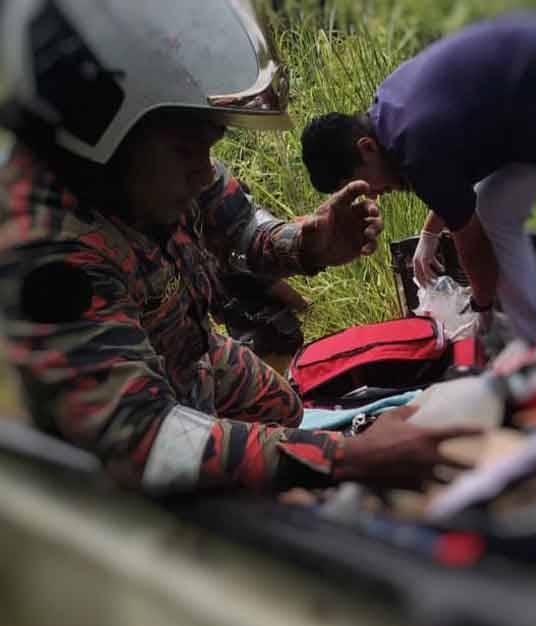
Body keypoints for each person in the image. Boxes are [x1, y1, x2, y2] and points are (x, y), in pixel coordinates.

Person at [0, 0, 471, 495]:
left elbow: (243, 231)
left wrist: (312, 243)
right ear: (102, 140)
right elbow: (140, 439)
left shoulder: (152, 160)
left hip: (192, 355)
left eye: (209, 145)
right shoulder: (46, 255)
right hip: (123, 444)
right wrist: (345, 458)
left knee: (284, 407)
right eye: (188, 150)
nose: (205, 171)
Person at [300, 12, 536, 387]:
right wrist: (430, 235)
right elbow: (453, 188)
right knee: (496, 208)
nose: (373, 194)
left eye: (361, 184)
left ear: (366, 148)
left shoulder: (414, 142)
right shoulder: (391, 113)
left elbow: (472, 244)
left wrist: (481, 311)